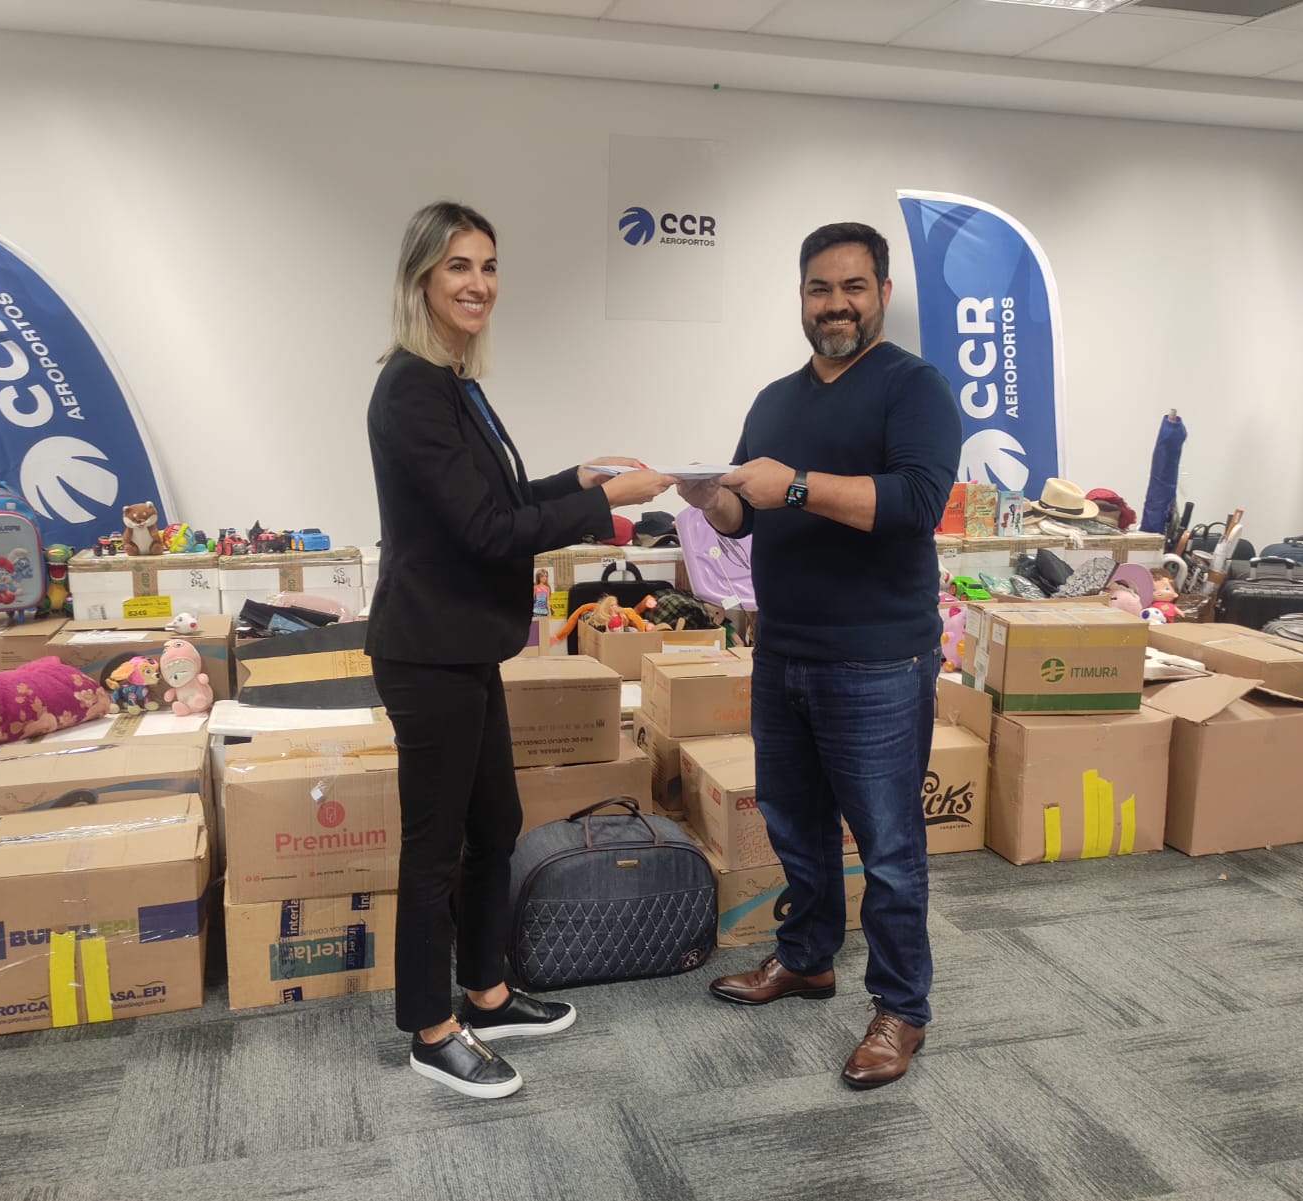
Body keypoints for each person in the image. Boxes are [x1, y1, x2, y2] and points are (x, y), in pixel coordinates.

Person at [365, 201, 674, 1099]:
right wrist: (605, 504)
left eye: (489, 266)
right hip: (428, 651)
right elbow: (487, 531)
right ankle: (431, 1029)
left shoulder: (454, 380)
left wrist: (577, 478)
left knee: (494, 825)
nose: (479, 284)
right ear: (422, 277)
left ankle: (487, 991)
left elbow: (495, 498)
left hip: (466, 643)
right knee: (434, 849)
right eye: (459, 266)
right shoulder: (413, 388)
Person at [679, 221, 961, 1089]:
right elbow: (744, 516)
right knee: (794, 826)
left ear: (882, 294)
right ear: (801, 297)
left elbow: (916, 502)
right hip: (784, 651)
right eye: (819, 289)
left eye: (853, 287)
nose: (835, 304)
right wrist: (711, 497)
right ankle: (806, 957)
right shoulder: (774, 401)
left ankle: (902, 1008)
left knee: (888, 848)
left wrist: (795, 484)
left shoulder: (913, 387)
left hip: (878, 660)